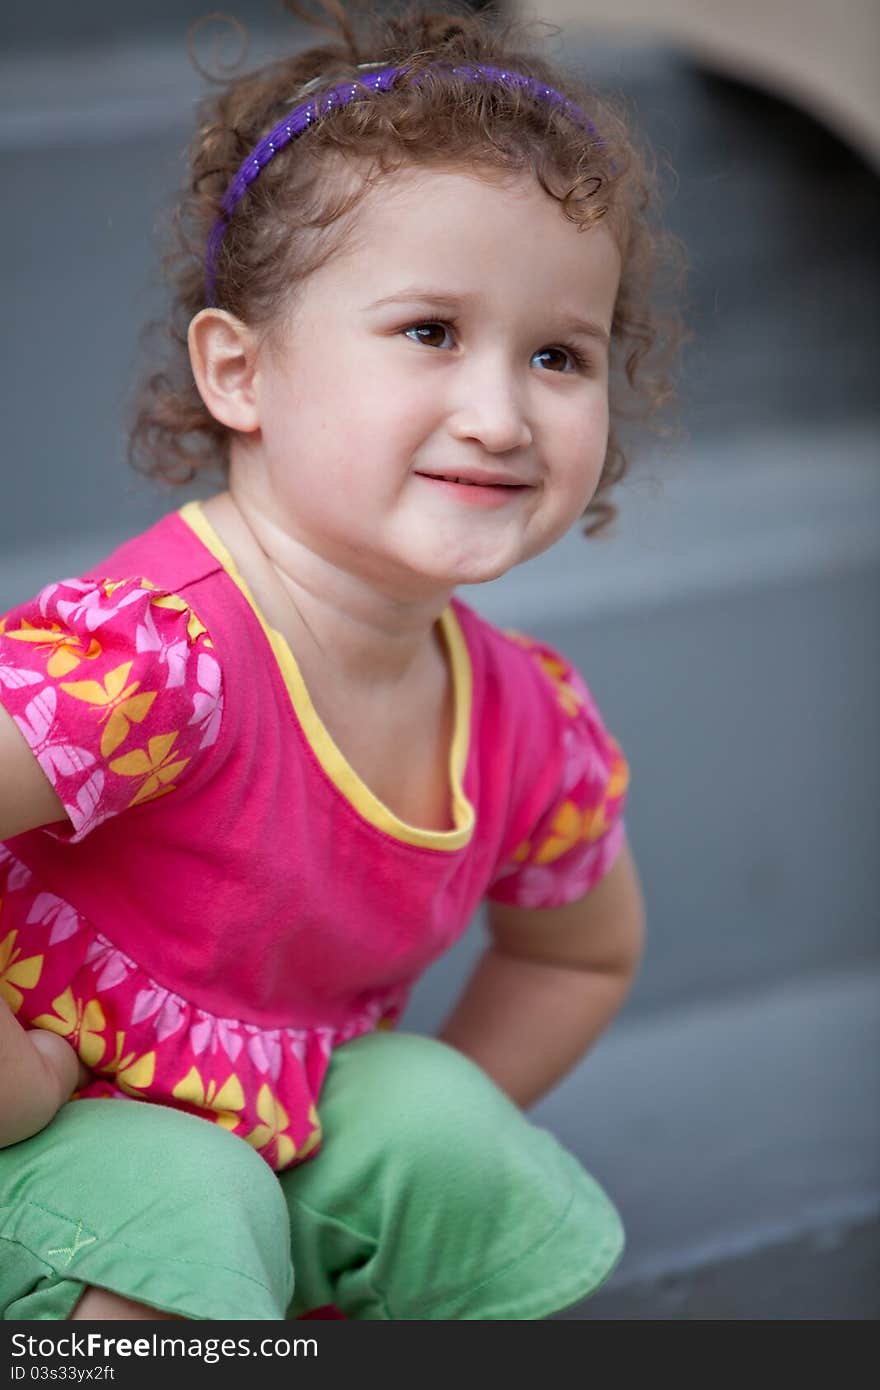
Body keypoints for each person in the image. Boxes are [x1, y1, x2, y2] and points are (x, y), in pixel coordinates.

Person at [0, 0, 680, 1321]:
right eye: (430, 330)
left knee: (447, 1129)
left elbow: (577, 955)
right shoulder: (160, 659)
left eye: (557, 353)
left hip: (258, 1139)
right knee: (184, 1204)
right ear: (240, 373)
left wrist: (386, 1163)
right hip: (49, 1140)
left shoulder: (527, 721)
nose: (499, 414)